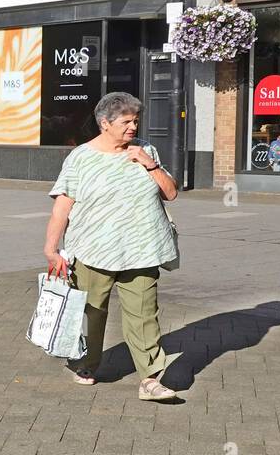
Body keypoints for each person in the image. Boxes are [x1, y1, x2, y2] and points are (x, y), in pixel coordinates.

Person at [43, 91, 181, 402]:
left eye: (136, 120)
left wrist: (150, 165)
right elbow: (61, 208)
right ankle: (89, 364)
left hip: (142, 249)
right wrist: (51, 249)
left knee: (144, 315)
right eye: (126, 121)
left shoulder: (146, 149)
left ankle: (150, 379)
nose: (133, 127)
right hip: (92, 250)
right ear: (105, 123)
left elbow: (171, 194)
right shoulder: (81, 157)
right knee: (92, 311)